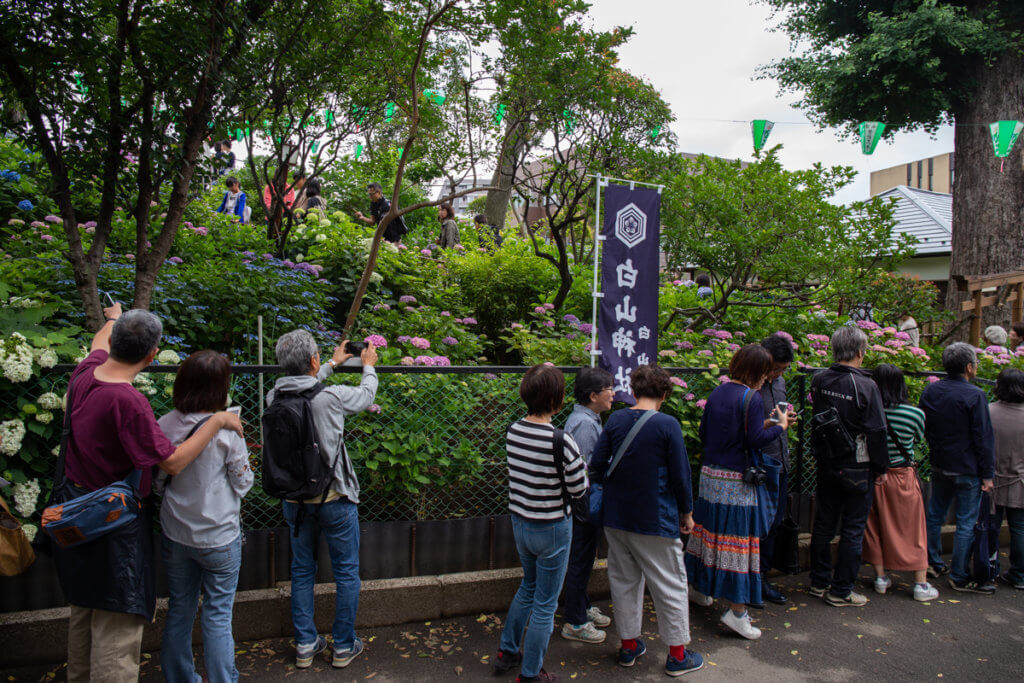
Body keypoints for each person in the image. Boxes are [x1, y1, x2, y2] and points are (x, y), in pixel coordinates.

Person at [54, 305, 243, 683]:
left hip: (74, 509)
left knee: (84, 607)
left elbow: (98, 340)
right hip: (112, 520)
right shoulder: (129, 402)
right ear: (152, 354)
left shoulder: (85, 373)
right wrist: (219, 420)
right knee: (116, 619)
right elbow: (172, 462)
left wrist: (112, 317)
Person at [267, 331, 379, 668]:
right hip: (334, 497)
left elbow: (303, 384)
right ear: (312, 361)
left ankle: (304, 644)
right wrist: (368, 366)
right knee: (346, 572)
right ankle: (343, 646)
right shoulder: (330, 398)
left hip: (295, 501)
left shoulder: (273, 396)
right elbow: (364, 396)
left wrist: (331, 363)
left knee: (302, 571)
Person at [590, 364, 704, 675]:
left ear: (635, 390)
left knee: (624, 581)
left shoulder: (616, 419)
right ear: (665, 393)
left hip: (616, 516)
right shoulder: (668, 425)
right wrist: (687, 513)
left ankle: (629, 647)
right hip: (655, 518)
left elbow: (597, 465)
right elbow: (681, 476)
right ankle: (677, 656)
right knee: (669, 584)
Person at [157, 351, 254, 683]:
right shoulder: (228, 429)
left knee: (179, 610)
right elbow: (244, 483)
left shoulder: (164, 424)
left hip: (175, 531)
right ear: (220, 387)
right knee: (217, 615)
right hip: (219, 535)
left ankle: (180, 677)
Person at [686, 346, 791, 639]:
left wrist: (767, 423)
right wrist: (780, 427)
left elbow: (707, 432)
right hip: (736, 484)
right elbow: (755, 439)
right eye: (766, 372)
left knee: (708, 535)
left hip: (710, 476)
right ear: (756, 372)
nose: (768, 377)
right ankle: (737, 611)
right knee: (738, 543)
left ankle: (700, 588)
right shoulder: (752, 397)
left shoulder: (719, 391)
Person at [493, 364, 587, 683]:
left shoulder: (513, 430)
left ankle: (507, 651)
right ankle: (530, 674)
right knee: (545, 604)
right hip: (552, 529)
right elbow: (579, 488)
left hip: (520, 522)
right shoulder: (561, 440)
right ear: (558, 400)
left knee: (528, 586)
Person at [807, 325, 888, 607]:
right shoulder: (866, 385)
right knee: (853, 529)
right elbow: (877, 431)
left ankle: (818, 581)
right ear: (858, 352)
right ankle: (841, 590)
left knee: (824, 523)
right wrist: (881, 468)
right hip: (857, 465)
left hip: (826, 461)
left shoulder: (819, 379)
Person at [919, 342, 996, 594]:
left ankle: (932, 562)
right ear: (969, 367)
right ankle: (959, 574)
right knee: (965, 522)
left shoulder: (931, 391)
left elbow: (925, 426)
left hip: (940, 462)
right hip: (968, 467)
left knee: (934, 515)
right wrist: (987, 474)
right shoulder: (975, 395)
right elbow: (983, 438)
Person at [862, 363, 939, 602]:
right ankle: (920, 583)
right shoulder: (915, 414)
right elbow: (917, 439)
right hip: (903, 475)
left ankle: (880, 577)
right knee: (913, 528)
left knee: (873, 526)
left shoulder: (867, 412)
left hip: (873, 474)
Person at [560, 367, 614, 644]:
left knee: (583, 557)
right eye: (609, 390)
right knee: (580, 558)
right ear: (594, 396)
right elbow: (582, 469)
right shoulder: (584, 424)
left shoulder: (587, 419)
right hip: (584, 503)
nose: (613, 395)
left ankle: (581, 605)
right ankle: (575, 621)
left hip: (584, 502)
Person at [757, 333, 795, 606]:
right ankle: (755, 580)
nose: (778, 373)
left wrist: (784, 421)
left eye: (783, 369)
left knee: (775, 523)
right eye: (776, 368)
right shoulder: (752, 384)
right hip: (760, 464)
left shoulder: (779, 383)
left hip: (781, 461)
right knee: (759, 525)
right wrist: (772, 423)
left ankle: (764, 577)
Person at [991, 367, 1024, 590]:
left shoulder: (988, 411)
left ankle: (988, 568)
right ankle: (1019, 574)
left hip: (991, 479)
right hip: (1020, 480)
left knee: (990, 526)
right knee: (1019, 528)